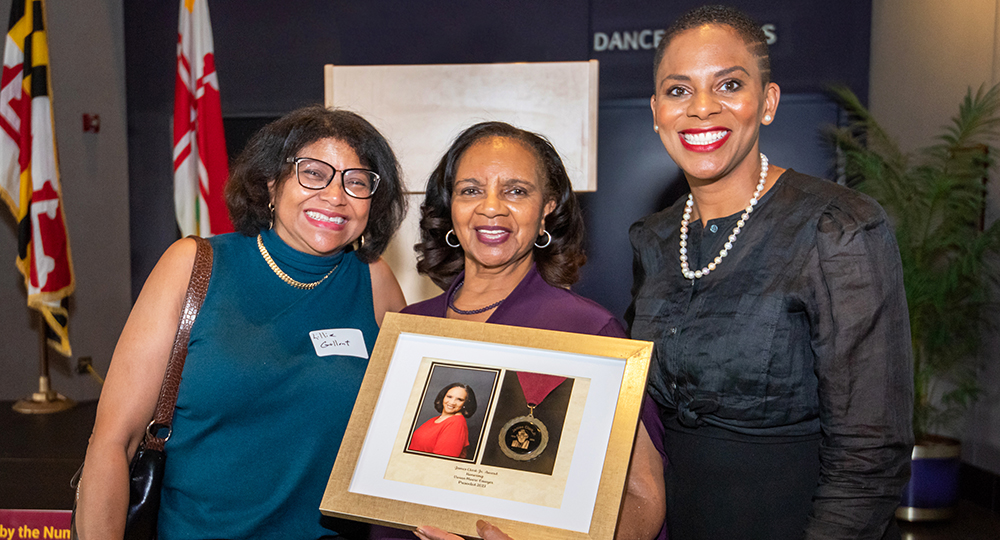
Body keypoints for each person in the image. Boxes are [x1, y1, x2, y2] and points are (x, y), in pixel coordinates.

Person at [627, 5, 913, 539]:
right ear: (656, 110)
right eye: (679, 90)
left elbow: (871, 451)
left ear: (768, 102)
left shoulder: (838, 228)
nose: (702, 109)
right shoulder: (653, 238)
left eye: (729, 84)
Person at [75, 106, 407, 539]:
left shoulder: (373, 280)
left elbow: (407, 432)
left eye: (357, 181)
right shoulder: (194, 266)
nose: (335, 196)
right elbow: (113, 444)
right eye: (313, 173)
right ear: (271, 183)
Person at [388, 121, 667, 540]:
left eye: (516, 191)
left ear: (546, 210)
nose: (491, 207)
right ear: (450, 209)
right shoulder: (411, 329)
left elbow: (642, 495)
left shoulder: (588, 332)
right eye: (471, 190)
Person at [408, 382, 477, 458]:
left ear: (465, 403)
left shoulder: (456, 423)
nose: (452, 402)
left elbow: (441, 462)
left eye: (459, 399)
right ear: (443, 397)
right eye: (449, 397)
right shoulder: (434, 420)